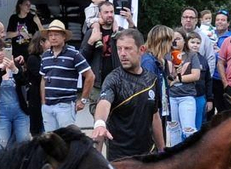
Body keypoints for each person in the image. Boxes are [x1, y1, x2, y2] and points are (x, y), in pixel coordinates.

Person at [92, 31, 164, 160]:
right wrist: (100, 123)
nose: (122, 53)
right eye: (119, 49)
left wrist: (162, 151)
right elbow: (104, 102)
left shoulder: (152, 79)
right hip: (120, 159)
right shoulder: (113, 79)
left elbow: (155, 116)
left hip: (148, 156)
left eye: (127, 48)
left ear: (141, 50)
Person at [38, 19, 94, 131]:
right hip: (48, 105)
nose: (53, 37)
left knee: (66, 141)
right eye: (51, 35)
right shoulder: (45, 56)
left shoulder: (74, 54)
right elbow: (43, 80)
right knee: (51, 141)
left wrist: (83, 100)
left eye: (56, 35)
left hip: (65, 105)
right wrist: (43, 102)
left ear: (64, 36)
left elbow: (90, 76)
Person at [0, 40, 32, 148]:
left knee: (24, 144)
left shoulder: (15, 66)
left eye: (2, 50)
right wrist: (0, 70)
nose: (0, 53)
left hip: (20, 111)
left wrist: (14, 69)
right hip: (1, 113)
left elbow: (24, 82)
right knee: (4, 146)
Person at [165, 28, 205, 143]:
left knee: (189, 129)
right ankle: (175, 157)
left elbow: (196, 75)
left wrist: (178, 79)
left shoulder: (191, 55)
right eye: (172, 39)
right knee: (173, 129)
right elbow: (165, 78)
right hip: (171, 97)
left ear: (184, 41)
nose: (175, 41)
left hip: (187, 96)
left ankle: (192, 157)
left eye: (178, 38)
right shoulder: (166, 55)